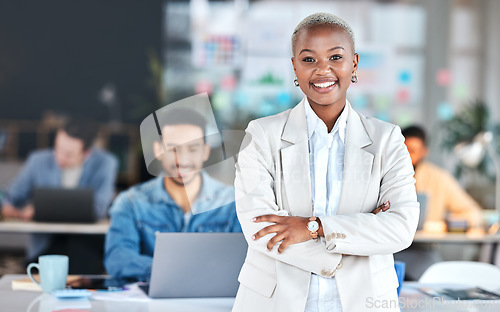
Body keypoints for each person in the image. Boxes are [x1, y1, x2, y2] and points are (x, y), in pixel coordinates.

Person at [232, 13, 419, 312]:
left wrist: (314, 227)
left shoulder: (387, 139)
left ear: (354, 64)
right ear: (294, 66)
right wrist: (362, 235)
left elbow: (400, 228)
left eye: (335, 57)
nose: (323, 70)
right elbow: (262, 230)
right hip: (275, 300)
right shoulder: (262, 134)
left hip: (364, 301)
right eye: (308, 60)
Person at [104, 107, 241, 282]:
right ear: (157, 150)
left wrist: (174, 272)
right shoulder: (131, 202)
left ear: (205, 151)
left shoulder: (232, 203)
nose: (181, 160)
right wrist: (175, 273)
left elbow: (244, 260)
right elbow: (118, 258)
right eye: (172, 149)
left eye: (192, 149)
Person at [2, 118, 118, 273]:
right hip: (47, 244)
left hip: (87, 244)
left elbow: (99, 208)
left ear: (86, 153)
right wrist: (10, 208)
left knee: (79, 250)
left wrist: (44, 209)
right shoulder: (38, 160)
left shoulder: (105, 163)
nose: (59, 157)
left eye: (69, 154)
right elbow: (11, 197)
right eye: (57, 148)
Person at [402, 125, 483, 231]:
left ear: (424, 152)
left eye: (412, 151)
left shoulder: (439, 178)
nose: (407, 157)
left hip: (425, 244)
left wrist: (445, 224)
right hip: (391, 244)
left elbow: (474, 214)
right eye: (403, 151)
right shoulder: (382, 176)